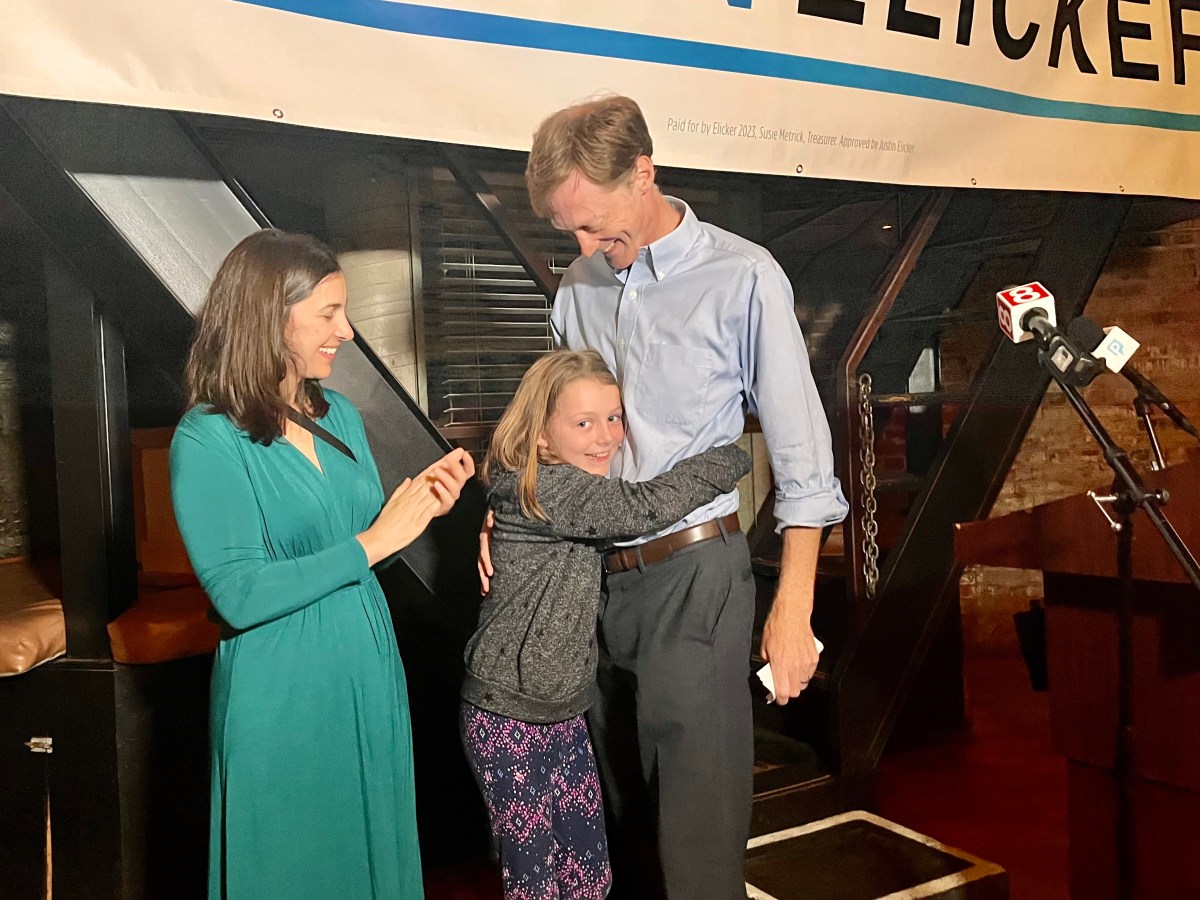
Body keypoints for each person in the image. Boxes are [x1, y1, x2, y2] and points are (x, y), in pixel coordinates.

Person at [515, 95, 850, 898]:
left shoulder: (741, 276)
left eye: (597, 226)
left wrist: (793, 610)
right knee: (622, 832)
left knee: (695, 854)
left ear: (643, 172)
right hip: (590, 580)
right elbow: (551, 435)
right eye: (573, 233)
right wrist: (516, 521)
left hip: (694, 578)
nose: (590, 247)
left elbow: (805, 460)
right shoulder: (578, 288)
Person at [170, 229, 474, 899]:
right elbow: (238, 593)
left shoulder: (339, 413)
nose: (349, 330)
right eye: (330, 314)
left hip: (364, 665)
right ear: (270, 316)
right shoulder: (206, 436)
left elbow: (354, 539)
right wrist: (373, 542)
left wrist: (419, 507)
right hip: (279, 685)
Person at [462, 349, 751, 900]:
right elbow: (643, 508)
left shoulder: (547, 483)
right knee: (537, 881)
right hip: (508, 719)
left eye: (614, 418)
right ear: (542, 437)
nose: (606, 437)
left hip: (562, 712)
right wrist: (730, 455)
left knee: (589, 873)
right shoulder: (554, 488)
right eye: (583, 423)